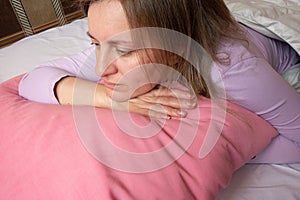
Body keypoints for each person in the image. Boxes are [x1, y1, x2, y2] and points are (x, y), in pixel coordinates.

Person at [19, 0, 300, 163]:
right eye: (95, 43)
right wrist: (109, 98)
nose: (101, 67)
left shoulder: (232, 73)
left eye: (125, 50)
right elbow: (33, 80)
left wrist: (232, 149)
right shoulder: (115, 43)